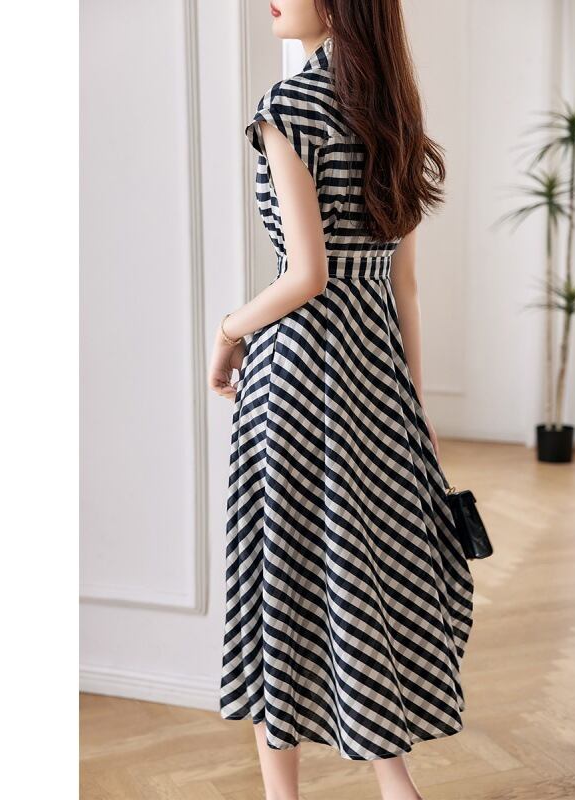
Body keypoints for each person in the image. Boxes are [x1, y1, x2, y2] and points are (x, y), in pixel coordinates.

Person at [208, 2, 475, 798]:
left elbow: (306, 277)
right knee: (366, 568)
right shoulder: (394, 112)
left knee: (280, 579)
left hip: (295, 377)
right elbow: (405, 284)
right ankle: (397, 787)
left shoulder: (287, 108)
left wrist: (227, 331)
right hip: (375, 375)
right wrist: (413, 406)